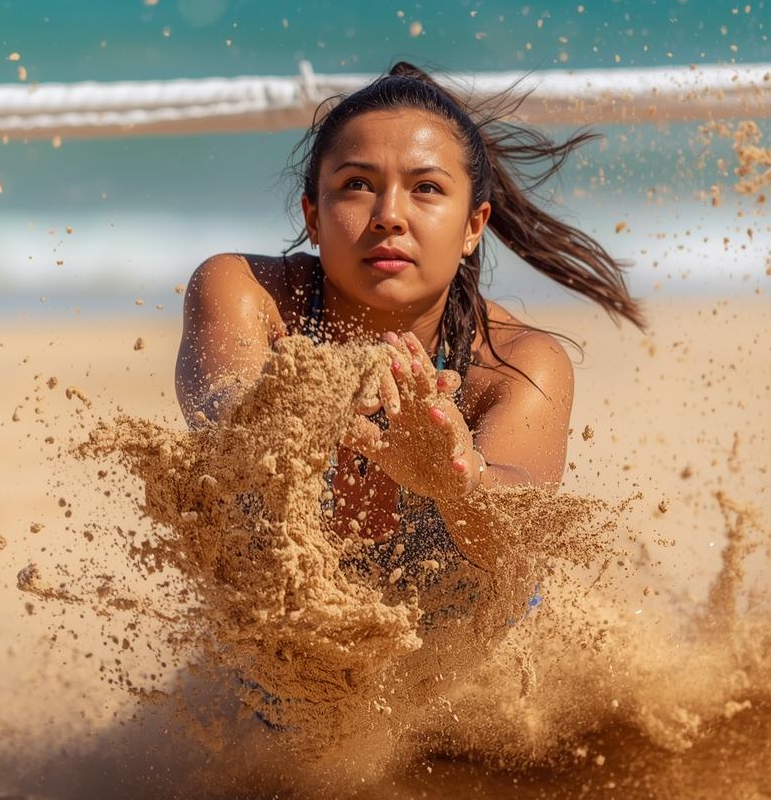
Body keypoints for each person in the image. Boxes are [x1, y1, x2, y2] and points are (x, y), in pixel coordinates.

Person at [174, 63, 644, 579]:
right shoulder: (252, 294)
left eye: (426, 188)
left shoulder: (515, 365)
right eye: (357, 184)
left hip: (456, 623)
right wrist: (307, 400)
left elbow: (515, 548)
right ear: (313, 217)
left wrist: (459, 480)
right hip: (277, 617)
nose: (389, 216)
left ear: (473, 226)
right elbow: (222, 411)